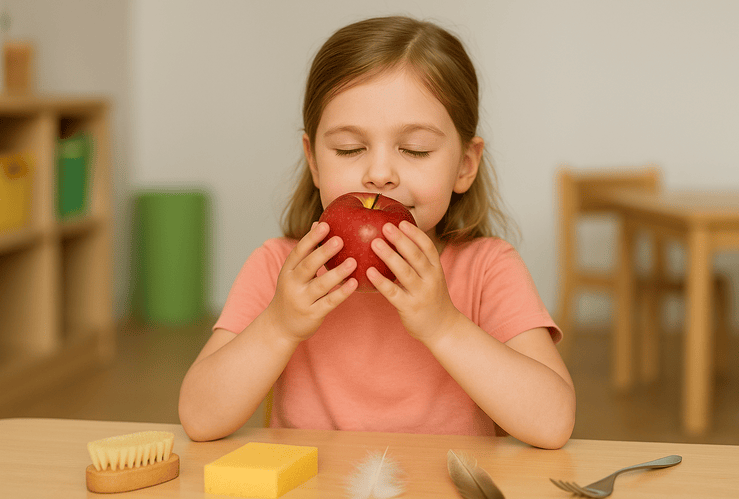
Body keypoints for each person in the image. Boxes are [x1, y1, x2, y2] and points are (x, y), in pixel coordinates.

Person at [179, 15, 575, 448]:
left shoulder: (487, 269)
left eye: (414, 149)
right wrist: (279, 325)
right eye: (350, 149)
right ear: (314, 161)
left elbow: (552, 423)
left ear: (465, 164)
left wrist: (444, 326)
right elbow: (199, 418)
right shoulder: (278, 269)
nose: (380, 174)